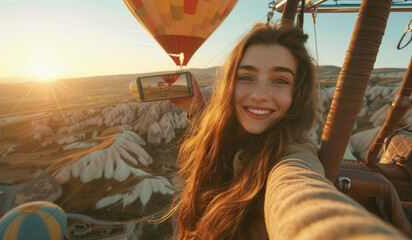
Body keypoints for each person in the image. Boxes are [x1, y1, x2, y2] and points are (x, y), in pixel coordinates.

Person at [168, 23, 408, 239]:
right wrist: (197, 110)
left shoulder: (294, 157)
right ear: (230, 84)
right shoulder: (229, 135)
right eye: (246, 77)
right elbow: (223, 137)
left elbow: (299, 191)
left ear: (297, 94)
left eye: (280, 80)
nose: (260, 94)